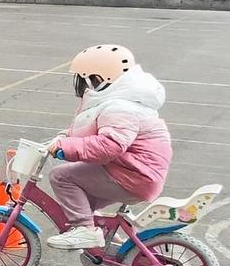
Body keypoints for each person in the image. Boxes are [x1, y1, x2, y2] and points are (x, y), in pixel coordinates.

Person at [44, 45, 173, 251]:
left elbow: (110, 145)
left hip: (133, 175)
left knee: (61, 177)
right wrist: (66, 138)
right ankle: (108, 247)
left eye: (82, 78)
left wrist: (66, 148)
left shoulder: (120, 107)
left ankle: (86, 231)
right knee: (81, 202)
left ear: (98, 78)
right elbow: (96, 130)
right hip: (133, 172)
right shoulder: (122, 101)